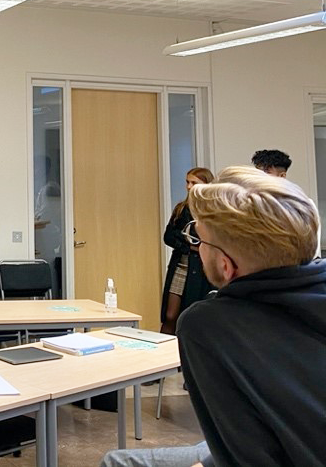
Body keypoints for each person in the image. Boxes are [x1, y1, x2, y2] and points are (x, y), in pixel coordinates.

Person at [100, 166, 326, 467]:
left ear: (225, 265)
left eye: (201, 238)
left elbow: (246, 454)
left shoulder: (208, 325)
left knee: (118, 462)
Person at [160, 167, 214, 335]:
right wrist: (189, 245)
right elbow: (169, 236)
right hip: (180, 266)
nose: (189, 187)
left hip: (202, 270)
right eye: (187, 182)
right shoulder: (181, 208)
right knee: (170, 315)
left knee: (191, 315)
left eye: (194, 183)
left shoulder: (213, 211)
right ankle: (162, 353)